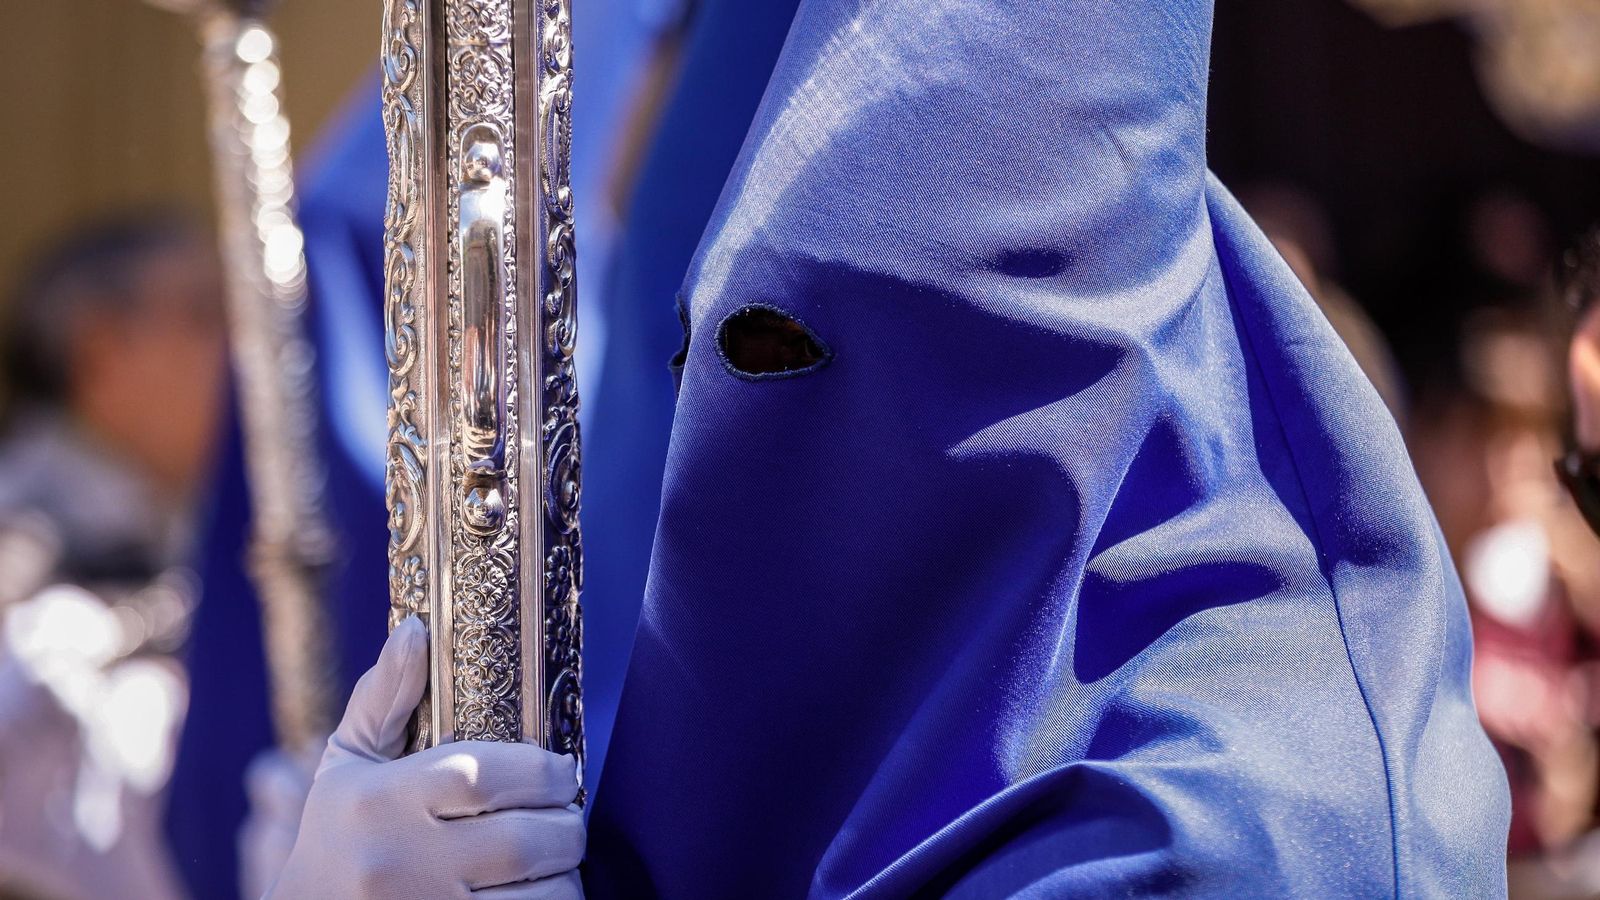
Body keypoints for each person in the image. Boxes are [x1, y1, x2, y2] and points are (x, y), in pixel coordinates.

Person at [272, 0, 1510, 896]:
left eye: (801, 354)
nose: (762, 438)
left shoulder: (1269, 820)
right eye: (722, 358)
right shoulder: (756, 731)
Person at [0, 214, 226, 899]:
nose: (244, 345)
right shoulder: (20, 542)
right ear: (101, 349)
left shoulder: (199, 525)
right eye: (205, 314)